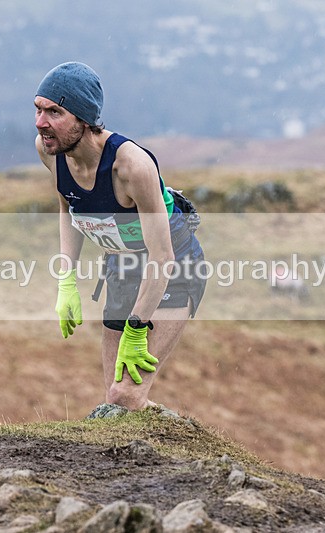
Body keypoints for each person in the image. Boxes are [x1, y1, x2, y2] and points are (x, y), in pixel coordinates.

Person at [34, 62, 206, 417]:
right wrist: (67, 281)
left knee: (123, 396)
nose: (41, 123)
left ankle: (173, 442)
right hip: (122, 266)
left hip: (173, 268)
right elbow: (68, 208)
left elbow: (163, 258)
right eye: (38, 109)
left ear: (84, 119)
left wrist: (137, 327)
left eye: (54, 112)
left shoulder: (132, 167)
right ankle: (164, 436)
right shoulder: (49, 149)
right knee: (115, 395)